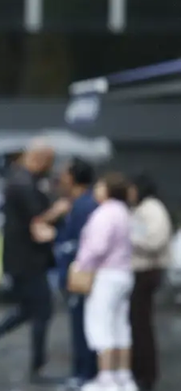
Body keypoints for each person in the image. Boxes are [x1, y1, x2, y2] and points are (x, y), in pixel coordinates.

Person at [0, 139, 70, 384]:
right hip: (27, 259)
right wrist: (58, 210)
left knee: (29, 309)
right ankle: (37, 367)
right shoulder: (23, 183)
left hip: (24, 258)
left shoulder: (23, 181)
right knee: (41, 310)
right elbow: (37, 221)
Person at [73, 173, 135, 391]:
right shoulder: (124, 212)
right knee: (121, 326)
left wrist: (81, 264)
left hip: (105, 275)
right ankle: (124, 376)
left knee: (101, 325)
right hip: (124, 273)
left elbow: (97, 246)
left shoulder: (104, 213)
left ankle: (106, 378)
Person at [55, 158, 100, 390]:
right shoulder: (78, 203)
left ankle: (84, 373)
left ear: (72, 177)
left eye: (64, 174)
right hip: (75, 273)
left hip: (79, 275)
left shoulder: (84, 205)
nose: (60, 178)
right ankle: (83, 372)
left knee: (82, 325)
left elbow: (81, 243)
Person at [127, 173, 172, 391]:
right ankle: (140, 371)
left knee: (141, 324)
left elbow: (155, 239)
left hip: (146, 270)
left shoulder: (152, 208)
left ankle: (146, 374)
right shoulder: (142, 208)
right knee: (137, 324)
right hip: (141, 270)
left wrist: (128, 238)